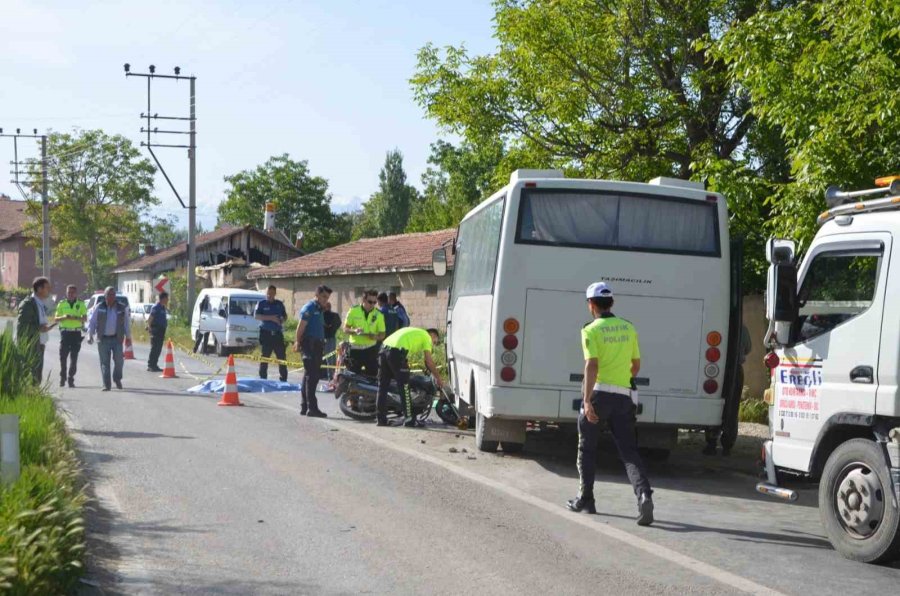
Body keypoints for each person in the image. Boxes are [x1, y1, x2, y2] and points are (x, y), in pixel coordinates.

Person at [567, 282, 654, 526]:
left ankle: (586, 499)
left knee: (587, 447)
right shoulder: (628, 328)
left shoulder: (590, 330)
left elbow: (591, 365)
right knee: (628, 451)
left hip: (599, 394)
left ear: (590, 305)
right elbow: (635, 366)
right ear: (612, 303)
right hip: (624, 396)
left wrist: (586, 400)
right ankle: (644, 495)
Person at [376, 327, 444, 427]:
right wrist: (438, 378)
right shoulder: (426, 337)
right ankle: (409, 419)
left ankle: (381, 420)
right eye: (435, 342)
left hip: (383, 349)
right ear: (433, 335)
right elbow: (429, 360)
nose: (433, 344)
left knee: (382, 387)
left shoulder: (415, 333)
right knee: (404, 386)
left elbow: (425, 362)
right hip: (396, 352)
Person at [294, 285, 332, 417]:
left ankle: (305, 406)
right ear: (317, 295)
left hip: (317, 345)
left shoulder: (319, 308)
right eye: (323, 297)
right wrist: (297, 342)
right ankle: (312, 408)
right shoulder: (309, 307)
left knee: (308, 376)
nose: (325, 300)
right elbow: (300, 327)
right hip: (310, 345)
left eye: (327, 298)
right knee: (313, 377)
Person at [87, 286, 132, 391]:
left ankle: (117, 379)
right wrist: (90, 335)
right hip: (103, 339)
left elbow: (126, 323)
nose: (112, 297)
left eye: (113, 295)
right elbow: (92, 322)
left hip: (117, 339)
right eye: (109, 295)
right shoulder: (99, 307)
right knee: (104, 363)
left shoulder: (121, 307)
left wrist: (128, 337)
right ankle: (106, 384)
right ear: (105, 296)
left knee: (119, 361)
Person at [16, 276, 55, 383]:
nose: (49, 290)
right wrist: (39, 328)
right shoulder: (28, 304)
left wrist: (44, 328)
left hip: (40, 344)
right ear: (39, 289)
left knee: (37, 377)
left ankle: (34, 395)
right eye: (47, 288)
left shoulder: (40, 304)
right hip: (31, 345)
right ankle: (29, 396)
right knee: (30, 375)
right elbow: (22, 327)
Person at [343, 290, 385, 378]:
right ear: (363, 300)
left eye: (375, 302)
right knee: (352, 377)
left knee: (372, 378)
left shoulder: (379, 315)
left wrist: (375, 337)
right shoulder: (353, 310)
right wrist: (354, 331)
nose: (372, 305)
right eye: (370, 302)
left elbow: (382, 334)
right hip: (355, 350)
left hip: (370, 350)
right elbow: (345, 329)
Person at [54, 284, 87, 387]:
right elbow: (56, 319)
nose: (71, 294)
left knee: (74, 357)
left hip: (76, 333)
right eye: (69, 292)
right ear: (66, 293)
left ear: (76, 293)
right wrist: (64, 317)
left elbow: (85, 319)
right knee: (63, 356)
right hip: (65, 333)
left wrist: (76, 318)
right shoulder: (61, 304)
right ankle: (62, 376)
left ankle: (71, 378)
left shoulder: (81, 304)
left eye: (72, 292)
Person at [255, 285, 289, 382]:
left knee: (281, 357)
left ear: (275, 294)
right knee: (265, 357)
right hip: (266, 333)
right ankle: (263, 378)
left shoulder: (279, 304)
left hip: (277, 334)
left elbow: (285, 316)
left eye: (272, 294)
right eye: (268, 294)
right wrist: (271, 318)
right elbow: (256, 316)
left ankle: (283, 379)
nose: (270, 295)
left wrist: (282, 319)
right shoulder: (261, 303)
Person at [146, 292, 169, 372]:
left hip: (161, 331)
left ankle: (155, 365)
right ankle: (150, 365)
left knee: (158, 349)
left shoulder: (163, 307)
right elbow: (150, 318)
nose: (168, 300)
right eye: (167, 298)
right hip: (155, 330)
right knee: (154, 348)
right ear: (163, 298)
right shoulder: (156, 307)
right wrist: (149, 328)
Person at [322, 301, 341, 382]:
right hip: (332, 338)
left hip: (326, 338)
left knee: (329, 358)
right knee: (331, 358)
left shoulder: (324, 315)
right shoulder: (335, 315)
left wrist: (329, 328)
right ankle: (331, 376)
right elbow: (339, 323)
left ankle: (331, 377)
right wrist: (333, 329)